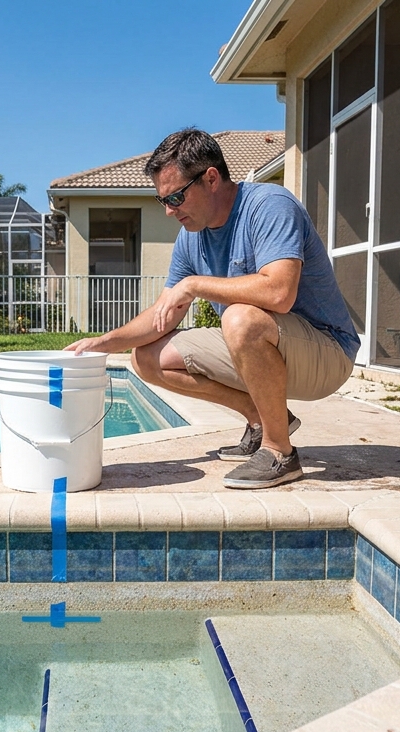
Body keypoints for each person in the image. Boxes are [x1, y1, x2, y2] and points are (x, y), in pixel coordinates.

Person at [66, 128, 359, 489]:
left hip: (327, 353)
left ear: (211, 179)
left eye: (176, 197)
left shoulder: (269, 205)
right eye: (162, 201)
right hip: (266, 345)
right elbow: (163, 315)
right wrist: (103, 343)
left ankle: (279, 452)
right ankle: (261, 418)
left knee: (240, 318)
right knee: (146, 358)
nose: (170, 211)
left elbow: (280, 292)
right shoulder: (191, 238)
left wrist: (194, 284)